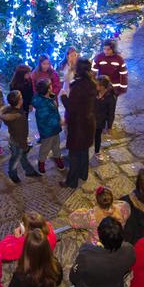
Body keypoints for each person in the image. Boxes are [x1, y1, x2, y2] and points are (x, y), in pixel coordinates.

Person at [62, 58, 97, 189]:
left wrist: (63, 97)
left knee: (74, 155)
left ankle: (71, 181)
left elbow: (71, 108)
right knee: (83, 152)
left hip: (78, 127)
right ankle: (83, 174)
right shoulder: (92, 83)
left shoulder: (78, 87)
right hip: (88, 123)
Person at [2, 89, 41, 183]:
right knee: (15, 158)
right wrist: (24, 145)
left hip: (13, 138)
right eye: (21, 98)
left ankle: (29, 171)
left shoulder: (11, 111)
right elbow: (21, 132)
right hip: (18, 142)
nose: (22, 99)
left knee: (22, 156)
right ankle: (12, 174)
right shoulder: (19, 116)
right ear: (19, 101)